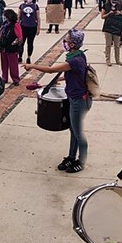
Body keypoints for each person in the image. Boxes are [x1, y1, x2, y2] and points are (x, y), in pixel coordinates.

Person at [24, 29, 91, 173]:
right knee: (73, 130)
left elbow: (50, 70)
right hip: (74, 98)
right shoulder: (78, 55)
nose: (64, 42)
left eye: (66, 40)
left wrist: (32, 66)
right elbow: (75, 74)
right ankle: (71, 157)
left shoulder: (75, 60)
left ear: (72, 44)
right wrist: (60, 79)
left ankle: (81, 161)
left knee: (78, 133)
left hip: (79, 101)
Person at [0, 9, 22, 86]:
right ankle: (4, 77)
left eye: (5, 16)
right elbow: (0, 33)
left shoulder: (15, 25)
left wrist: (13, 44)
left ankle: (15, 79)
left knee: (13, 64)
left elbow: (20, 37)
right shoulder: (4, 24)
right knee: (4, 63)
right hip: (3, 47)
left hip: (12, 47)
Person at [101, 0, 122, 66]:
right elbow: (102, 16)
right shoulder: (106, 5)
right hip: (108, 27)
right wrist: (109, 13)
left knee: (117, 44)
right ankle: (108, 60)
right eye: (112, 1)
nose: (114, 3)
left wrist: (119, 13)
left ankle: (117, 59)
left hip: (117, 27)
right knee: (108, 44)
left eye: (115, 2)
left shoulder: (120, 5)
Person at [18, 0, 40, 64]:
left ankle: (28, 57)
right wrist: (17, 27)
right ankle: (20, 56)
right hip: (23, 26)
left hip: (32, 27)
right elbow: (18, 17)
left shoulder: (35, 6)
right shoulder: (22, 6)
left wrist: (38, 28)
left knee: (30, 43)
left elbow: (38, 18)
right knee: (21, 42)